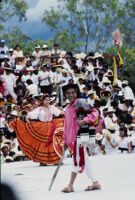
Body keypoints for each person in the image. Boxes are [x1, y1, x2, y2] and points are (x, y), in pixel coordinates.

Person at [62, 84, 101, 193]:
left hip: (80, 137)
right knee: (85, 160)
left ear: (76, 93)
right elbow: (67, 125)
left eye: (73, 92)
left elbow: (95, 113)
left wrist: (85, 120)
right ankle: (95, 182)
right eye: (68, 93)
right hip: (72, 139)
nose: (71, 95)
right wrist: (65, 140)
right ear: (65, 95)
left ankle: (70, 185)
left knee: (77, 160)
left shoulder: (82, 102)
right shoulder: (68, 107)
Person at [9, 95, 65, 165]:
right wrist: (27, 117)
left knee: (53, 143)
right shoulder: (39, 109)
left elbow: (59, 113)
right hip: (42, 127)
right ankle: (43, 161)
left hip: (52, 126)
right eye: (46, 100)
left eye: (48, 100)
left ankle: (56, 160)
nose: (47, 101)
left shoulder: (52, 108)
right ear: (42, 101)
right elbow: (31, 114)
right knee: (42, 144)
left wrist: (68, 113)